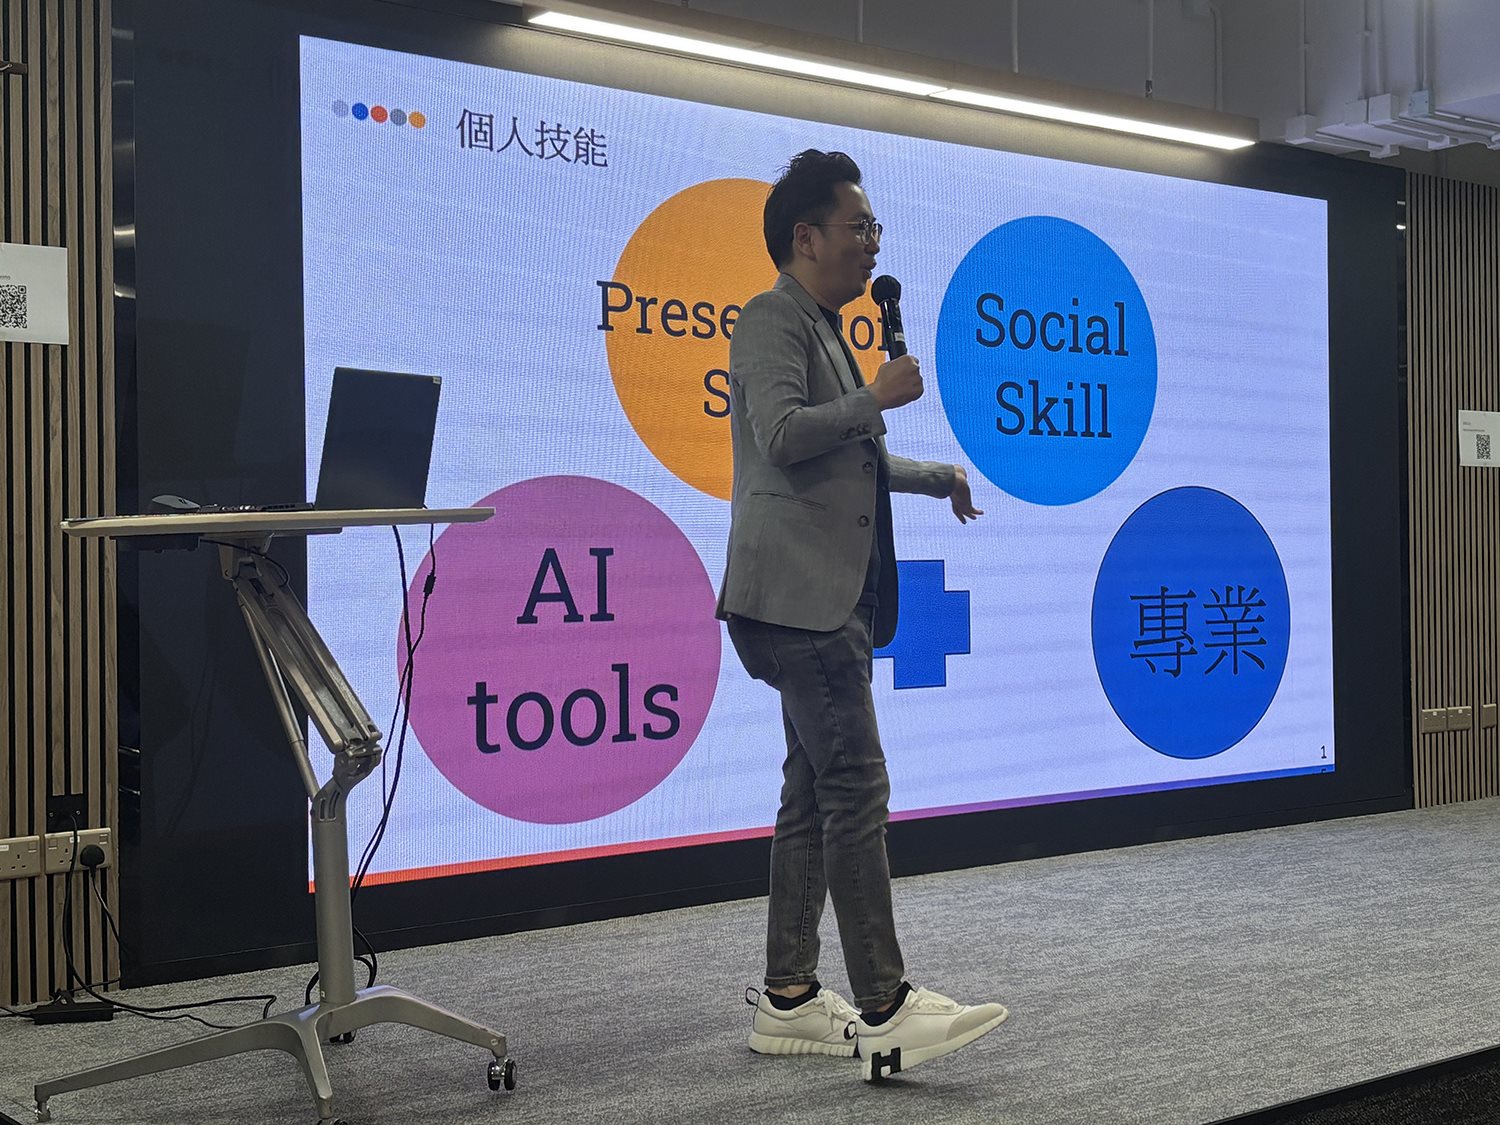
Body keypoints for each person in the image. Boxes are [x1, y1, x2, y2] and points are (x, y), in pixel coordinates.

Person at [716, 149, 1008, 1082]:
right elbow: (781, 435)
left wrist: (935, 474)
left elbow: (856, 455)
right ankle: (884, 1004)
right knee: (855, 787)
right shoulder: (771, 317)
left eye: (875, 228)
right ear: (805, 237)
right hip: (799, 597)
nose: (873, 242)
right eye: (859, 227)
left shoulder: (829, 327)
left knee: (812, 791)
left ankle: (789, 995)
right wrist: (875, 396)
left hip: (822, 595)